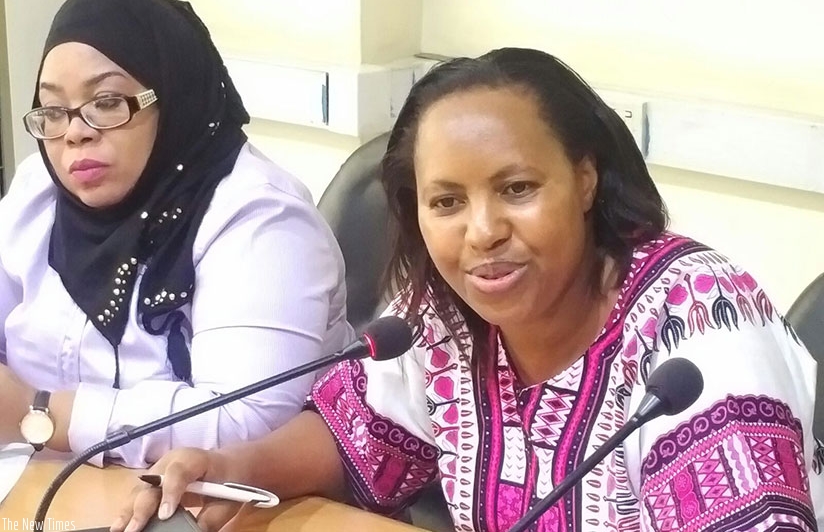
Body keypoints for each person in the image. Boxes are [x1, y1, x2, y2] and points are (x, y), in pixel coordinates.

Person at [115, 47, 823, 531]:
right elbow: (357, 440)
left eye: (516, 189)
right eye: (446, 202)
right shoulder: (438, 317)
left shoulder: (699, 330)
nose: (481, 232)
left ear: (585, 177)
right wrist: (231, 466)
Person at [0, 0, 353, 468]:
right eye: (54, 110)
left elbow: (244, 419)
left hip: (216, 506)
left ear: (175, 96)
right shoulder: (38, 191)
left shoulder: (261, 220)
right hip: (47, 486)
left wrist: (39, 413)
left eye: (105, 102)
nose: (76, 132)